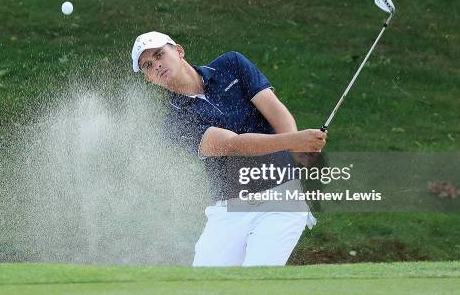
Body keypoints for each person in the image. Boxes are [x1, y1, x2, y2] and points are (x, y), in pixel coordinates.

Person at [130, 31, 327, 267]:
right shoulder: (175, 123)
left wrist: (298, 147)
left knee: (257, 282)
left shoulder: (231, 64)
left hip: (281, 198)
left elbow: (275, 111)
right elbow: (232, 144)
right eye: (148, 65)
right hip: (227, 208)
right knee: (205, 285)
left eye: (160, 54)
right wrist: (293, 141)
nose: (157, 64)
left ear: (179, 51)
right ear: (149, 78)